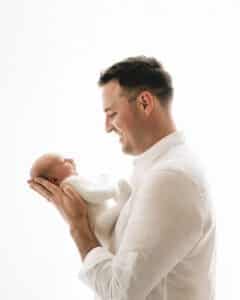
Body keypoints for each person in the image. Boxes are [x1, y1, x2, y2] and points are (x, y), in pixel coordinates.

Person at [28, 56, 216, 300]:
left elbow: (121, 292)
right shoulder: (157, 170)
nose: (107, 127)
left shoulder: (170, 178)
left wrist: (78, 226)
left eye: (112, 113)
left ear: (144, 103)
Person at [30, 152, 131, 247]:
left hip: (100, 233)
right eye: (64, 161)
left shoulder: (66, 190)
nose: (71, 160)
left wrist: (103, 181)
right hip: (101, 226)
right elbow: (93, 195)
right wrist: (113, 190)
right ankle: (123, 203)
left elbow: (93, 189)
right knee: (120, 204)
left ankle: (122, 204)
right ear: (54, 179)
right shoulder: (70, 182)